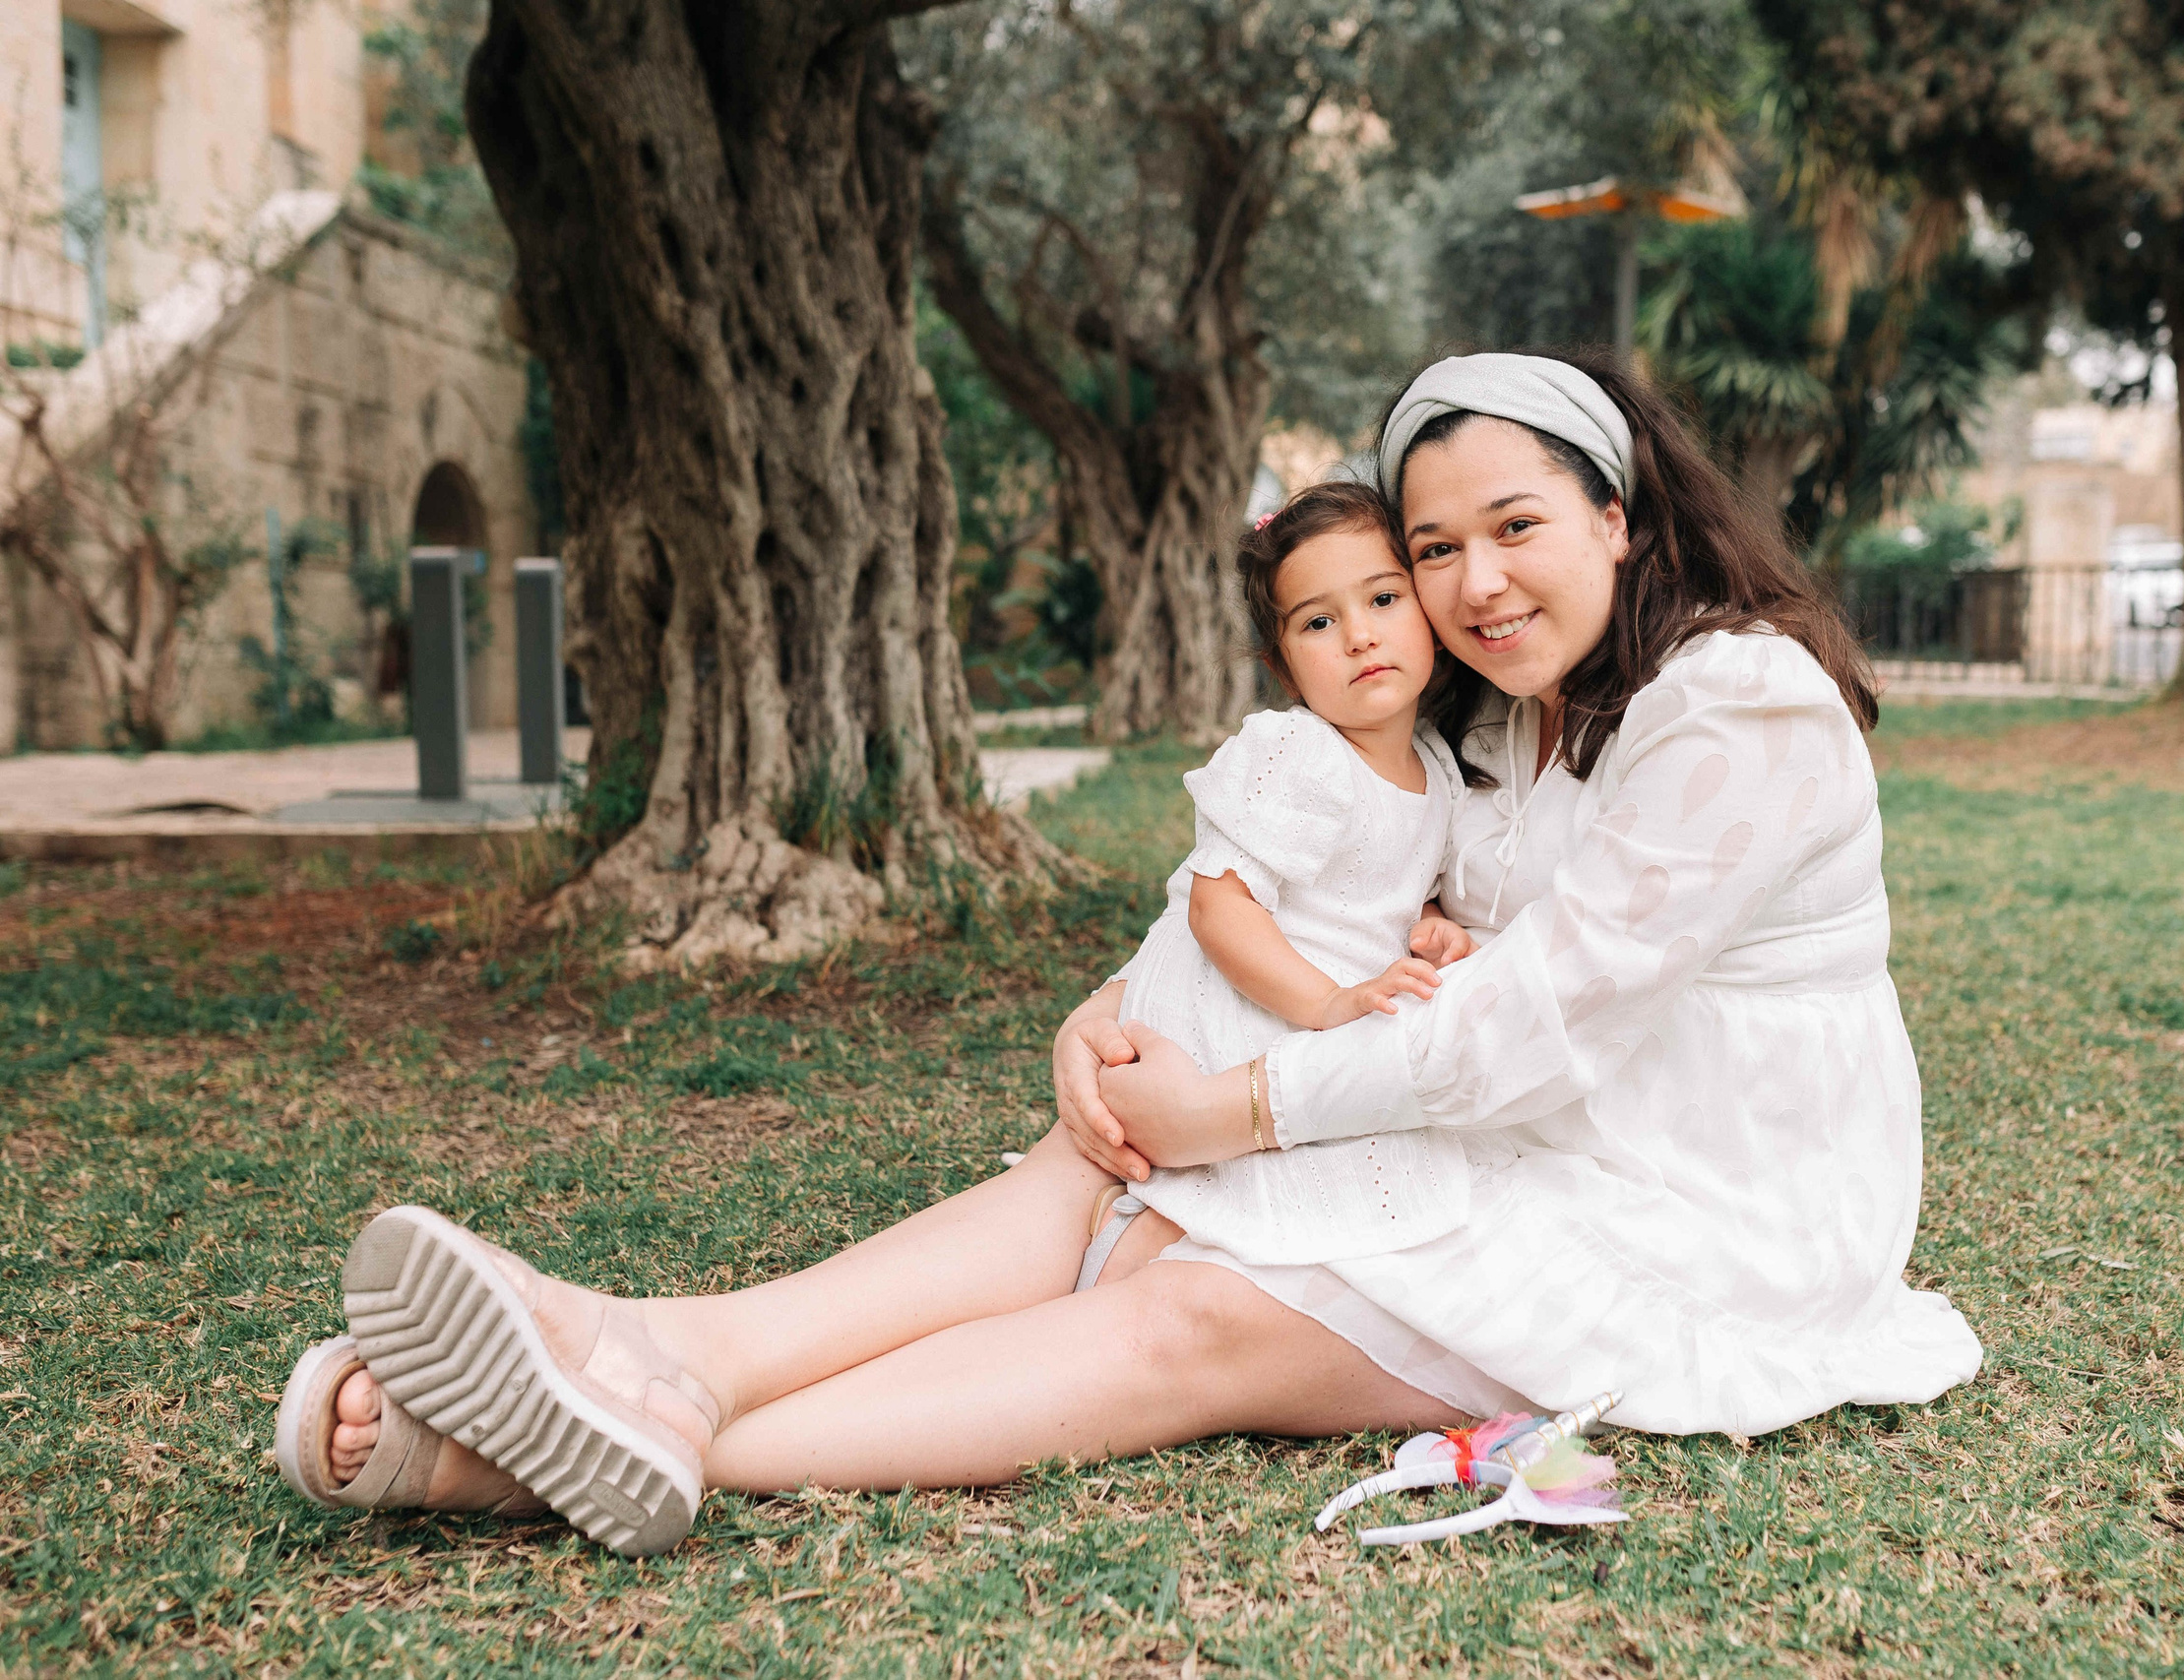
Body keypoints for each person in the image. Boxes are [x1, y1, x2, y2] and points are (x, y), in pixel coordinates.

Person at [272, 349, 1981, 1558]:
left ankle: (554, 1449)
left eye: (1515, 526)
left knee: (1191, 1311)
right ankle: (653, 1344)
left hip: (1706, 1214)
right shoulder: (1511, 720)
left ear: (1620, 512)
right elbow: (1330, 902)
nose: (1471, 580)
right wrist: (1110, 1017)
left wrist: (1228, 1106)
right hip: (1541, 1137)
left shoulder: (1739, 703)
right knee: (1091, 1182)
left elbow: (1532, 1028)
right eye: (1435, 546)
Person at [1092, 477, 1480, 1277]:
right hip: (1240, 1005)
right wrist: (1328, 1002)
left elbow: (1396, 876)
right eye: (1319, 621)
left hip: (1305, 1013)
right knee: (1236, 1194)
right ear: (1283, 662)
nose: (1359, 637)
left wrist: (1432, 919)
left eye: (1382, 599)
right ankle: (1123, 1244)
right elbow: (1220, 907)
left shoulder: (1436, 763)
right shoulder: (1299, 752)